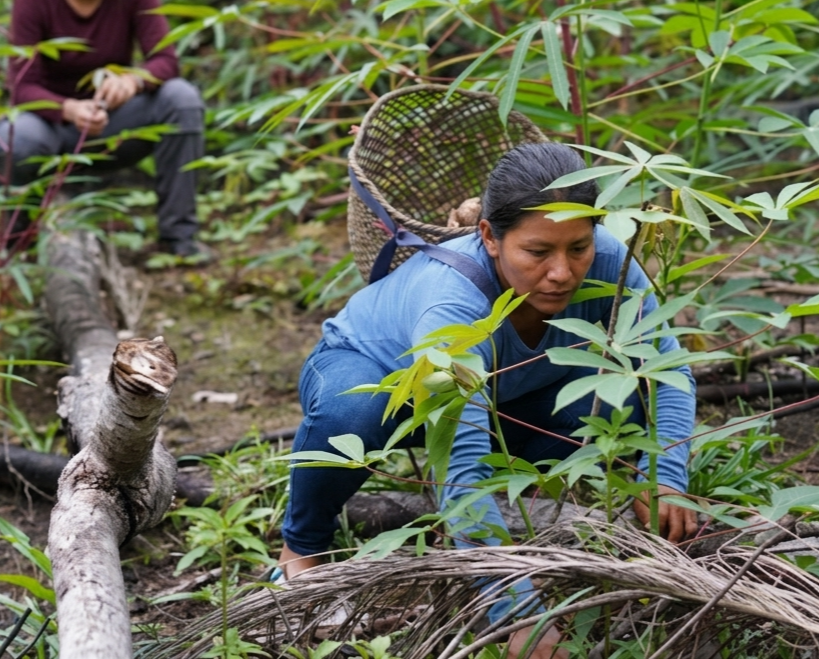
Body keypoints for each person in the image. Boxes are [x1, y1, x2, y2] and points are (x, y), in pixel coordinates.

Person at [277, 142, 697, 658]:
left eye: (578, 248)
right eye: (537, 252)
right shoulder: (453, 299)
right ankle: (302, 545)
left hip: (502, 392)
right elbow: (463, 465)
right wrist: (516, 615)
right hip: (370, 370)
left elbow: (667, 367)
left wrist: (667, 476)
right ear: (489, 238)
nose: (563, 272)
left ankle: (528, 507)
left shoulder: (613, 259)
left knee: (616, 399)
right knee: (354, 415)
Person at [0, 0, 207, 258]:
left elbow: (166, 60)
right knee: (18, 141)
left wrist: (134, 80)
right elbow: (22, 86)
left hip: (111, 123)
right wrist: (70, 109)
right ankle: (15, 249)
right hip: (49, 125)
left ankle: (178, 240)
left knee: (182, 99)